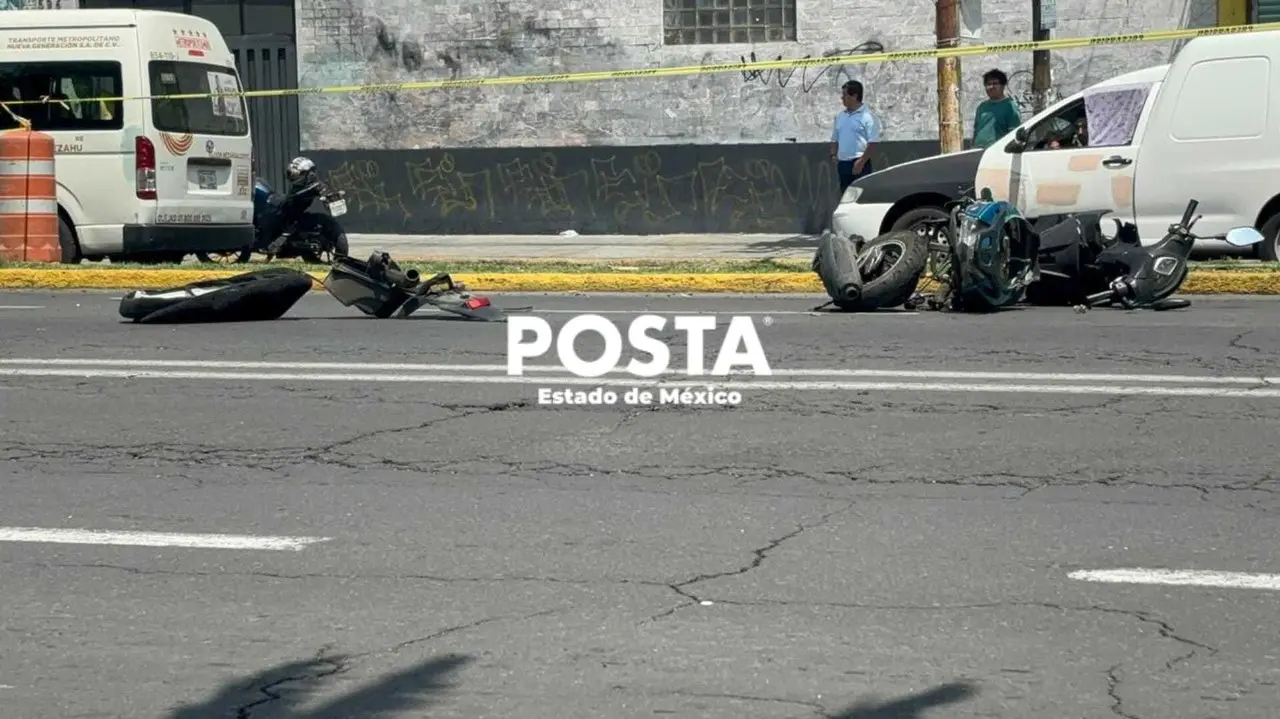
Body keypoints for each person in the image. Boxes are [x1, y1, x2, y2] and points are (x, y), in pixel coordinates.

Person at [829, 80, 880, 194]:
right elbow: (835, 137)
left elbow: (873, 142)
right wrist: (833, 155)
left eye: (845, 95)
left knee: (861, 197)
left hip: (859, 163)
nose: (842, 98)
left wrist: (861, 161)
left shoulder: (868, 116)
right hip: (843, 164)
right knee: (845, 196)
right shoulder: (840, 116)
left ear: (855, 95)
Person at [972, 69, 1022, 149]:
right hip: (978, 152)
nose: (991, 87)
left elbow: (1013, 133)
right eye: (988, 84)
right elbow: (976, 132)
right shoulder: (982, 107)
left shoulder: (1010, 106)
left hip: (996, 152)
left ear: (1003, 85)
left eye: (995, 83)